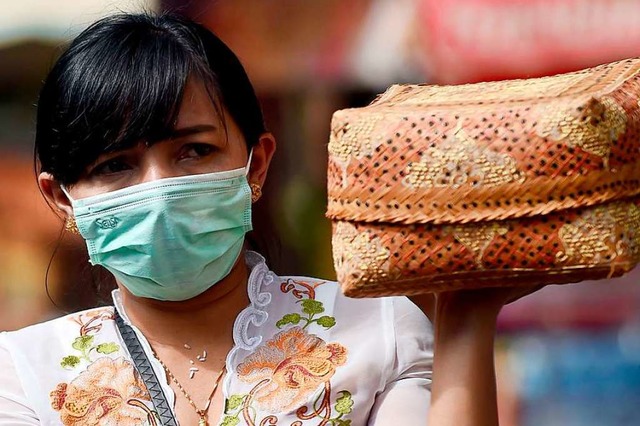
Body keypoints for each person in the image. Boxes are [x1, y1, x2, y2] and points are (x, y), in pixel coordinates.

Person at [0, 13, 537, 426]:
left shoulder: (378, 332)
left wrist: (466, 317)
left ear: (256, 163)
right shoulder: (23, 375)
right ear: (63, 199)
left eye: (193, 152)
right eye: (115, 165)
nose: (159, 188)